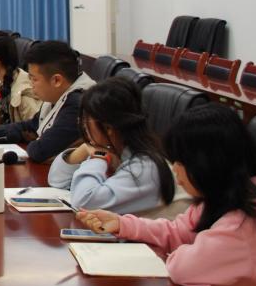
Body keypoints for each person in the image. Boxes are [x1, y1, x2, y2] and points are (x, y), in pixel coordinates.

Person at [78, 104, 256, 286]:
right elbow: (178, 229)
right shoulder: (232, 197)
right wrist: (122, 224)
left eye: (180, 161)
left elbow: (182, 267)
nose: (175, 169)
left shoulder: (244, 226)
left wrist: (185, 248)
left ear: (206, 163)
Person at [48, 78, 176, 215]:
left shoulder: (145, 168)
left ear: (108, 128)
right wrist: (84, 150)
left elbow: (84, 203)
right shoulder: (113, 148)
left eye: (86, 120)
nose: (84, 126)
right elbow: (57, 180)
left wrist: (98, 157)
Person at [0, 40, 94, 163]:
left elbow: (40, 151)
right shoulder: (58, 95)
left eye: (34, 79)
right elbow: (30, 125)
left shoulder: (78, 104)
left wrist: (35, 139)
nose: (30, 84)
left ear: (56, 80)